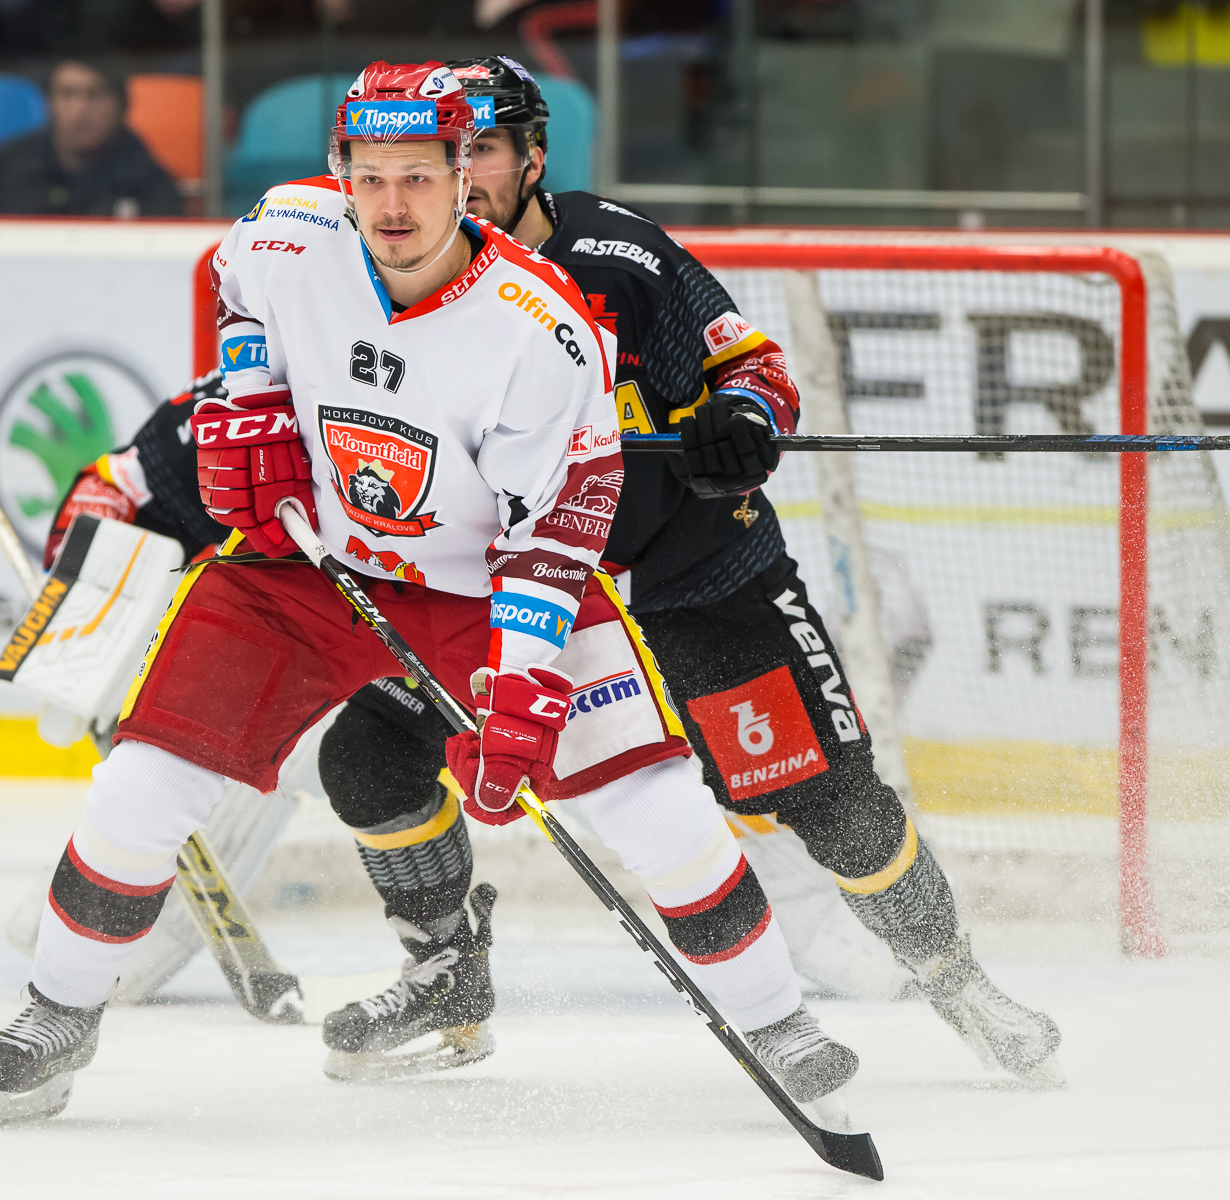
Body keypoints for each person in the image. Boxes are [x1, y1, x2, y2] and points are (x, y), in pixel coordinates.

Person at [0, 59, 857, 1128]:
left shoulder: (542, 330)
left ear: (463, 177)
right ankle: (57, 1016)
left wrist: (521, 684)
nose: (392, 205)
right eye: (371, 177)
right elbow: (236, 284)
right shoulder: (289, 232)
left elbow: (552, 532)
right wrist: (252, 396)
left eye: (420, 177)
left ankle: (777, 1022)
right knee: (140, 788)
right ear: (339, 172)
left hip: (489, 585)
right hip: (307, 570)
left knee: (655, 805)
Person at [309, 56, 1063, 1086]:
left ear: (533, 159)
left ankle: (955, 979)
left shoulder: (620, 257)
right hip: (521, 600)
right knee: (366, 757)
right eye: (449, 151)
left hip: (691, 580)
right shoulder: (375, 280)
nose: (461, 172)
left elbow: (752, 368)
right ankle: (446, 974)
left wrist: (738, 421)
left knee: (832, 805)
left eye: (483, 148)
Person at [0, 56, 183, 219]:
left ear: (121, 106)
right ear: (48, 103)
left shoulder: (145, 175)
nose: (79, 110)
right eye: (67, 94)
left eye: (94, 95)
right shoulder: (5, 165)